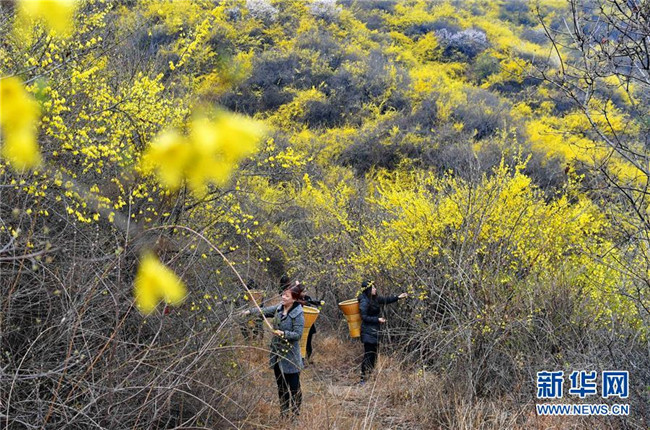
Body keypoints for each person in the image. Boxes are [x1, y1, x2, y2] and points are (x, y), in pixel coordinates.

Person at [243, 284, 305, 418]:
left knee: (294, 388)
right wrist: (250, 311)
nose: (283, 297)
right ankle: (284, 414)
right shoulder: (278, 308)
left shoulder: (298, 313)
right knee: (281, 387)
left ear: (294, 299)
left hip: (291, 357)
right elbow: (264, 311)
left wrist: (283, 334)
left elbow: (298, 335)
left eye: (286, 296)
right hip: (277, 355)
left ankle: (295, 416)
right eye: (283, 294)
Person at [358, 280, 408, 384]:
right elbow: (364, 317)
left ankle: (369, 376)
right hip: (367, 331)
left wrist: (398, 297)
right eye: (373, 288)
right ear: (368, 290)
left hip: (374, 331)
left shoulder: (374, 299)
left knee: (374, 355)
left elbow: (386, 300)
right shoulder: (364, 301)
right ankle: (363, 379)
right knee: (368, 355)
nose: (375, 289)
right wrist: (377, 319)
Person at [296, 283, 324, 362]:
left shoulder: (307, 298)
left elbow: (311, 303)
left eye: (305, 291)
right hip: (299, 325)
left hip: (308, 324)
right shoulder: (295, 299)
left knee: (308, 342)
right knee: (300, 343)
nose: (304, 293)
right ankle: (300, 359)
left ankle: (308, 359)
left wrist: (318, 303)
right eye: (302, 291)